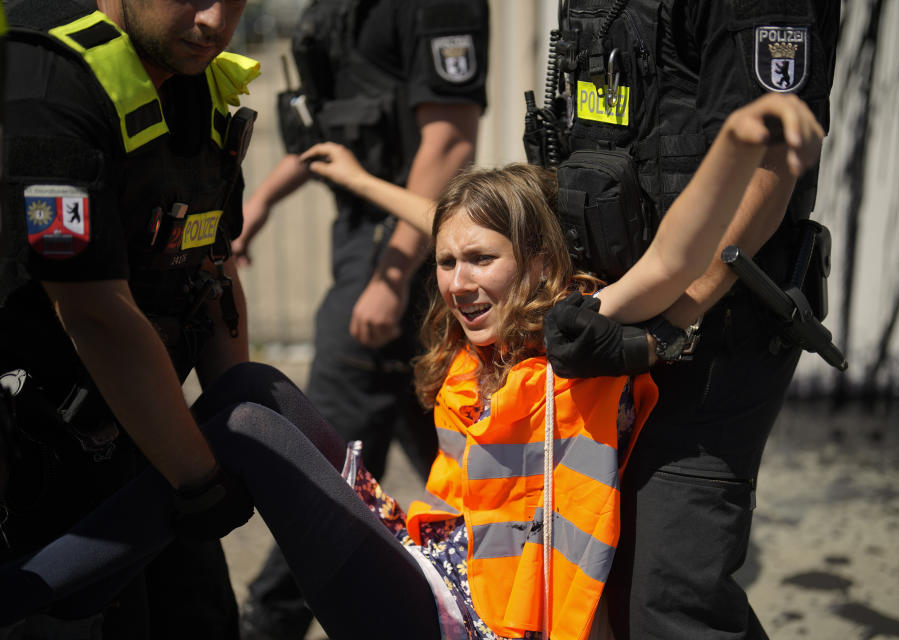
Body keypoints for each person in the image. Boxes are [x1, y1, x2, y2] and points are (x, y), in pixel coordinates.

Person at [0, 93, 823, 639]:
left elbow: (682, 251)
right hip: (430, 563)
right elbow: (454, 223)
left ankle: (29, 591)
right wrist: (360, 182)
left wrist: (749, 142)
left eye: (481, 262)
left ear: (538, 263)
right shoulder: (477, 348)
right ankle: (72, 591)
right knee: (250, 387)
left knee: (247, 428)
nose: (458, 283)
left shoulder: (576, 340)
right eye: (447, 263)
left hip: (474, 628)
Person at [533, 2, 842, 638]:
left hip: (713, 336)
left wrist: (674, 318)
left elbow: (770, 164)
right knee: (603, 585)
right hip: (609, 323)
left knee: (672, 601)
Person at [0, 0, 260, 636]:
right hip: (35, 473)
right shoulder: (41, 79)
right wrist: (202, 478)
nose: (214, 22)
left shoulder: (194, 81)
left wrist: (234, 424)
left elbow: (212, 269)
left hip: (155, 446)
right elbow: (93, 311)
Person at [233, 1, 489, 636]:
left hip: (406, 251)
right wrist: (260, 201)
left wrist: (393, 272)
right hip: (365, 248)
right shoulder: (333, 10)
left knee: (320, 475)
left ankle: (269, 621)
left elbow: (450, 139)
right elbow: (327, 137)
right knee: (457, 463)